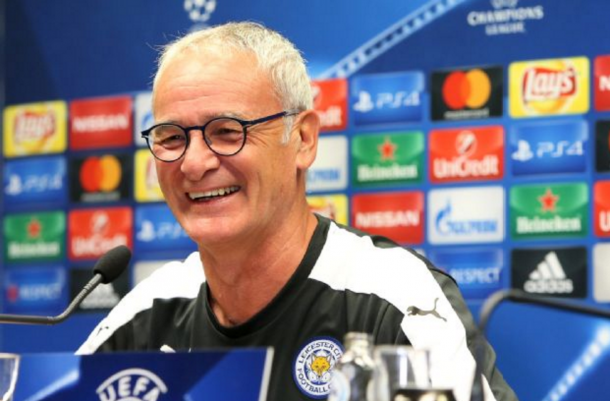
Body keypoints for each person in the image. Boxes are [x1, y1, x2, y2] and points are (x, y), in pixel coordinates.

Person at [78, 21, 517, 401]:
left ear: (303, 140)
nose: (194, 163)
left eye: (227, 132)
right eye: (171, 137)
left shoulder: (394, 298)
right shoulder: (148, 310)